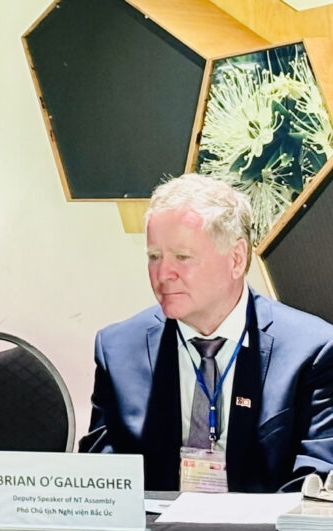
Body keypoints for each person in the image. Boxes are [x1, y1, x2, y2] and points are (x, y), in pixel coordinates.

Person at [83, 174, 333, 492]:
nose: (163, 274)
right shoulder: (118, 349)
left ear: (236, 258)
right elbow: (100, 481)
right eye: (154, 256)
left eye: (183, 257)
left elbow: (318, 482)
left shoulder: (312, 349)